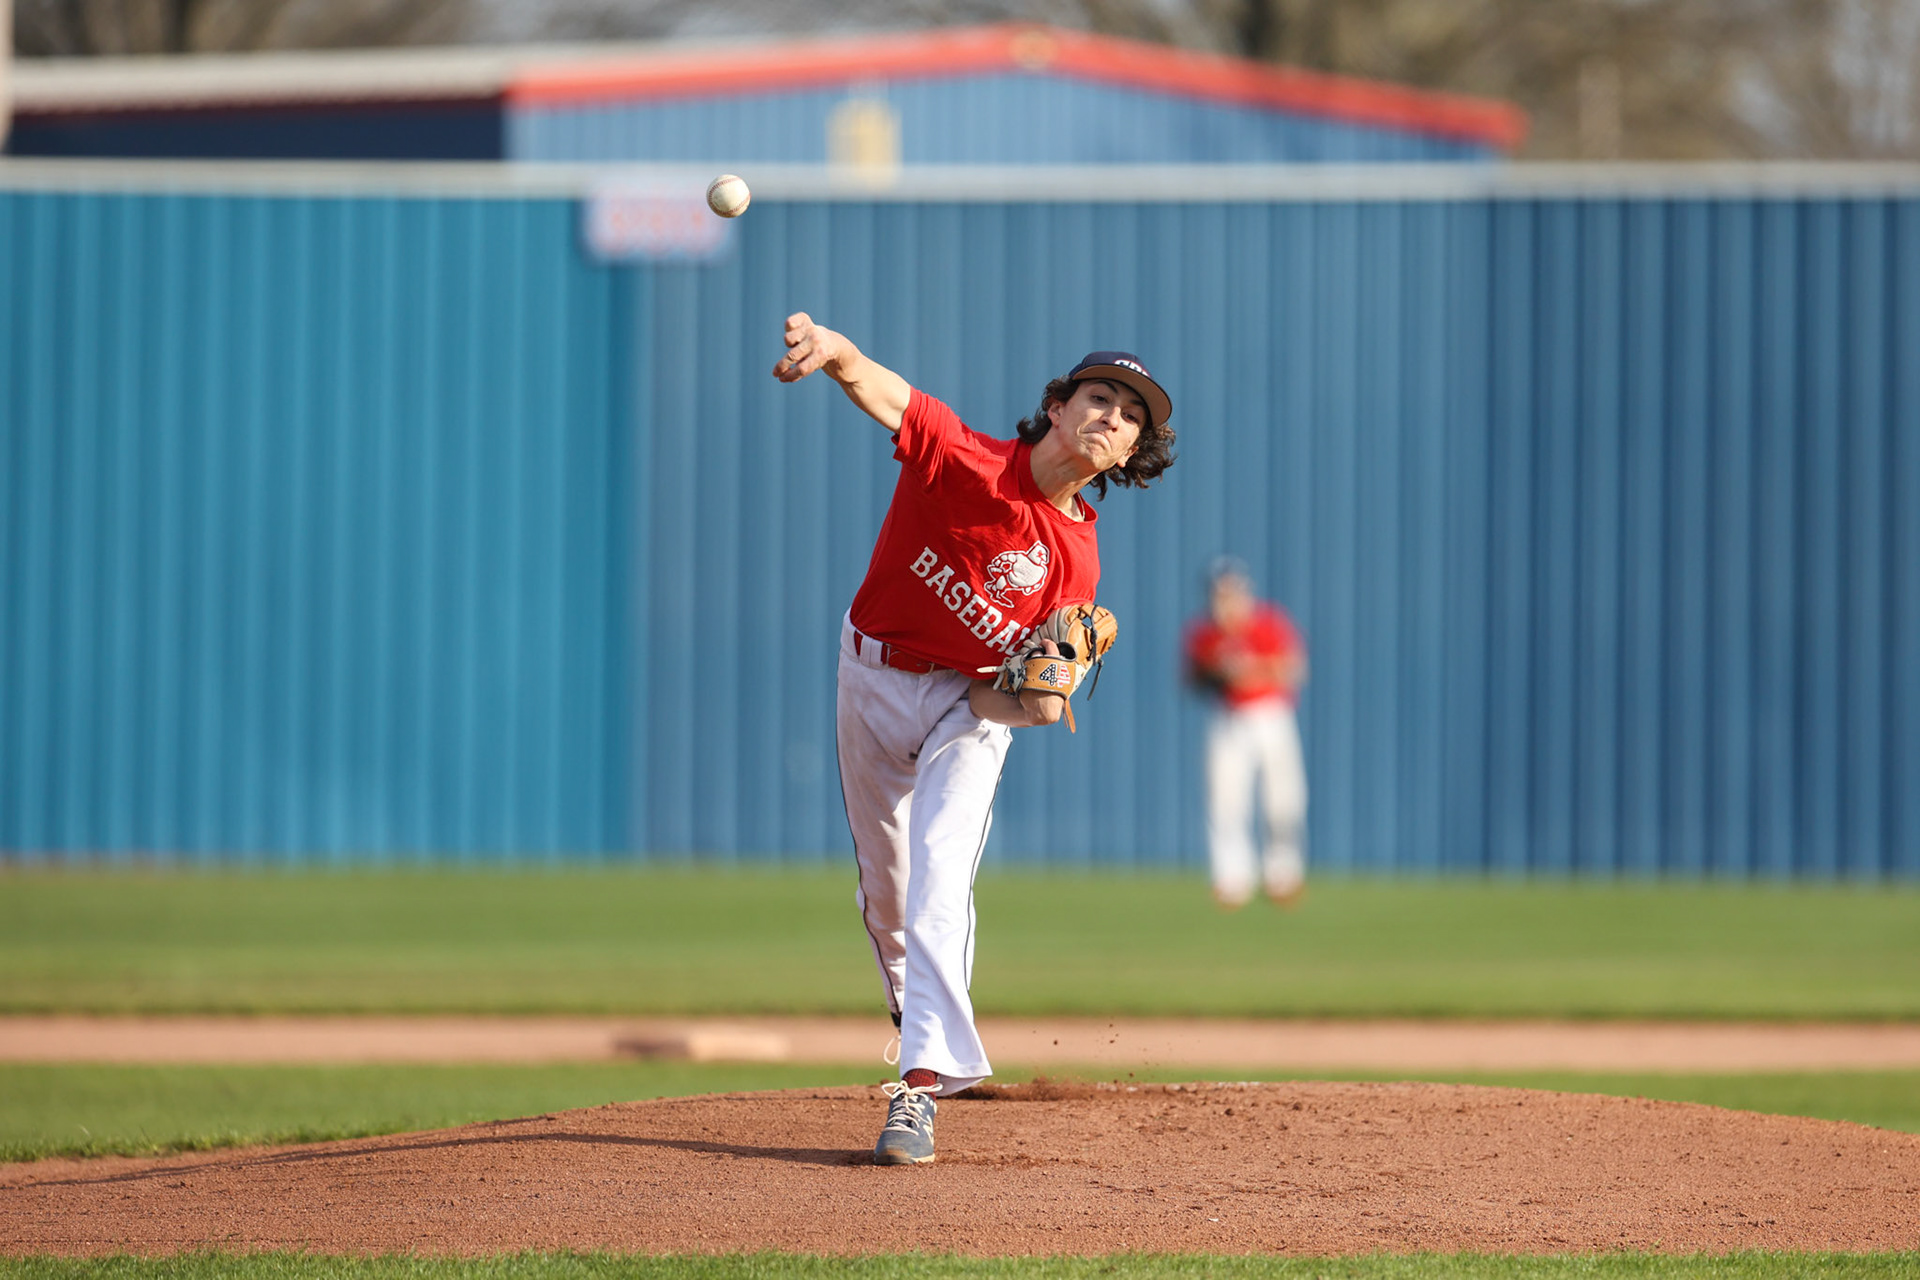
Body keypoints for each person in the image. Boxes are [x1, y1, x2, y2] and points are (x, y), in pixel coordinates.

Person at [773, 312, 1174, 1165]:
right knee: (889, 893)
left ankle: (918, 1087)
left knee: (941, 875)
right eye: (1100, 398)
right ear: (1058, 408)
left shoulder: (1077, 563)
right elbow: (881, 394)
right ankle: (910, 1006)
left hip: (969, 705)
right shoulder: (967, 461)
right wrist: (838, 352)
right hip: (872, 675)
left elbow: (1017, 705)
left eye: (1132, 416)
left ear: (1133, 452)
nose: (1113, 418)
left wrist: (1037, 698)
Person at [1183, 558, 1309, 909]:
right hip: (1228, 716)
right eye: (1219, 593)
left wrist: (1251, 670)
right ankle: (1231, 878)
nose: (1225, 600)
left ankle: (1282, 876)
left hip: (1270, 714)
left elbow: (1294, 669)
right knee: (1225, 800)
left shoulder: (1267, 623)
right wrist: (1217, 674)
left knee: (1282, 799)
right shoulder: (1205, 633)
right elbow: (1192, 681)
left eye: (1231, 592)